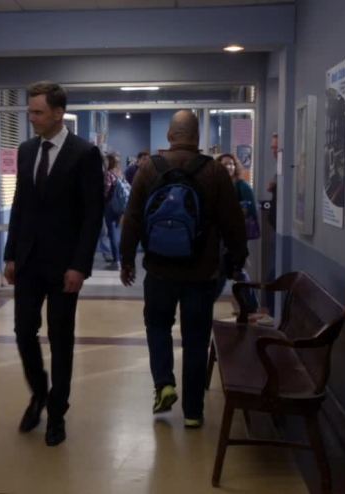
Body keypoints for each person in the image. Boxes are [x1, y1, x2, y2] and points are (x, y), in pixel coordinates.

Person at [119, 110, 247, 428]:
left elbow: (132, 217)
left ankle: (164, 384)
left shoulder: (149, 168)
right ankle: (192, 412)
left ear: (169, 136)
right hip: (201, 273)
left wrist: (126, 260)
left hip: (159, 270)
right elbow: (233, 222)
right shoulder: (215, 171)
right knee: (196, 338)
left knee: (157, 327)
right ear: (197, 136)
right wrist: (236, 260)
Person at [3, 81, 103, 446]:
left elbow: (92, 215)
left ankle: (57, 411)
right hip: (29, 262)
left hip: (64, 266)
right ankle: (39, 392)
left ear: (59, 113)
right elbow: (20, 205)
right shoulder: (27, 150)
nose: (31, 118)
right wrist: (10, 254)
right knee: (22, 331)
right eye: (30, 111)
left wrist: (80, 266)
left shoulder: (84, 153)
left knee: (61, 339)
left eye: (38, 112)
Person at [215, 153, 259, 312]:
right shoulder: (216, 185)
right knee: (231, 271)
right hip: (220, 237)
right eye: (225, 164)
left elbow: (251, 212)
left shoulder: (242, 186)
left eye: (232, 164)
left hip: (236, 237)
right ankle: (251, 306)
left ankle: (251, 307)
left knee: (229, 270)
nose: (229, 167)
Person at [103, 153, 122, 270]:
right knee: (117, 233)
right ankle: (119, 258)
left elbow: (106, 190)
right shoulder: (119, 173)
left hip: (110, 206)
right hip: (119, 206)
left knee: (112, 233)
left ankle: (116, 261)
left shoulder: (108, 174)